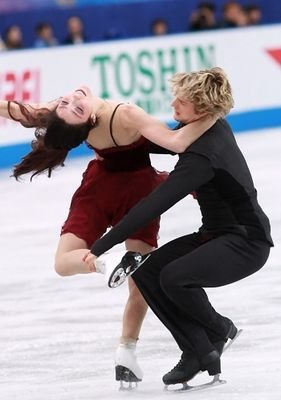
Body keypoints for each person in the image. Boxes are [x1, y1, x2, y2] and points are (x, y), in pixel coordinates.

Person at [0, 88, 215, 387]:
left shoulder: (65, 115)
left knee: (67, 263)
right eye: (74, 108)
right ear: (87, 122)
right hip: (138, 193)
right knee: (139, 284)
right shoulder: (124, 113)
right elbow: (177, 142)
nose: (74, 98)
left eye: (67, 101)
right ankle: (126, 346)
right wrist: (215, 114)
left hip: (100, 188)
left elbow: (17, 111)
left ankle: (108, 272)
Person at [84, 67, 273, 388]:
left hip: (247, 243)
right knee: (146, 270)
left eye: (181, 101)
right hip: (215, 234)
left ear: (201, 109)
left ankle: (218, 330)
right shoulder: (207, 126)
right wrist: (106, 135)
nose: (173, 104)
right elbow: (160, 143)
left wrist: (100, 245)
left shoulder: (202, 157)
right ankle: (199, 350)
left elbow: (152, 205)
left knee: (174, 276)